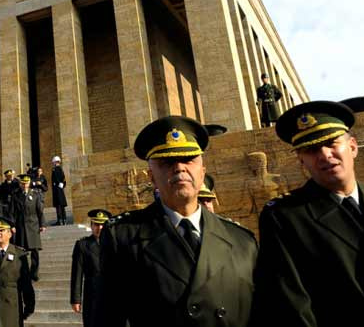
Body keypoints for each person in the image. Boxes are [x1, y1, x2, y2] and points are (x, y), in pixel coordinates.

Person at [98, 116, 258, 326]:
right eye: (167, 161)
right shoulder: (123, 237)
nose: (180, 168)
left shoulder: (241, 241)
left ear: (203, 171)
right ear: (151, 176)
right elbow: (107, 317)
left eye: (189, 159)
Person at [251, 101, 364, 327]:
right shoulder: (285, 217)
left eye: (331, 143)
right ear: (301, 160)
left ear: (352, 147)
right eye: (312, 150)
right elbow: (292, 304)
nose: (325, 155)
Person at [70, 209, 111, 327]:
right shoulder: (83, 245)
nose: (100, 228)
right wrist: (76, 299)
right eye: (97, 224)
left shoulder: (114, 243)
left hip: (112, 293)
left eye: (103, 224)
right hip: (93, 293)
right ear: (91, 225)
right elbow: (77, 274)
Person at [8, 174, 46, 281]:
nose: (25, 185)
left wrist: (42, 224)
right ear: (20, 184)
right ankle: (23, 271)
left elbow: (40, 210)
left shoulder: (35, 194)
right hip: (21, 226)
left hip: (33, 225)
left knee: (34, 251)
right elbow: (12, 212)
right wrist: (12, 225)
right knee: (21, 251)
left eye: (26, 183)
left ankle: (34, 272)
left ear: (29, 183)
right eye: (23, 183)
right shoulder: (15, 195)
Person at [51, 156, 68, 225]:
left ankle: (60, 220)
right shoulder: (61, 169)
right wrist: (62, 184)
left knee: (58, 205)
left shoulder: (54, 170)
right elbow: (63, 179)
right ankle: (64, 220)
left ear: (55, 162)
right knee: (62, 205)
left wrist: (58, 183)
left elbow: (55, 179)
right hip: (61, 189)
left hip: (56, 189)